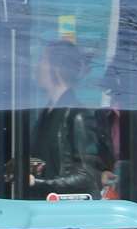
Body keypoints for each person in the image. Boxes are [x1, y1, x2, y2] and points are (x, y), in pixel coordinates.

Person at [23, 40, 105, 199]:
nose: (38, 66)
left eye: (43, 60)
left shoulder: (78, 115)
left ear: (57, 68)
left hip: (64, 209)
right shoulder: (46, 114)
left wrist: (37, 182)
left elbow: (87, 176)